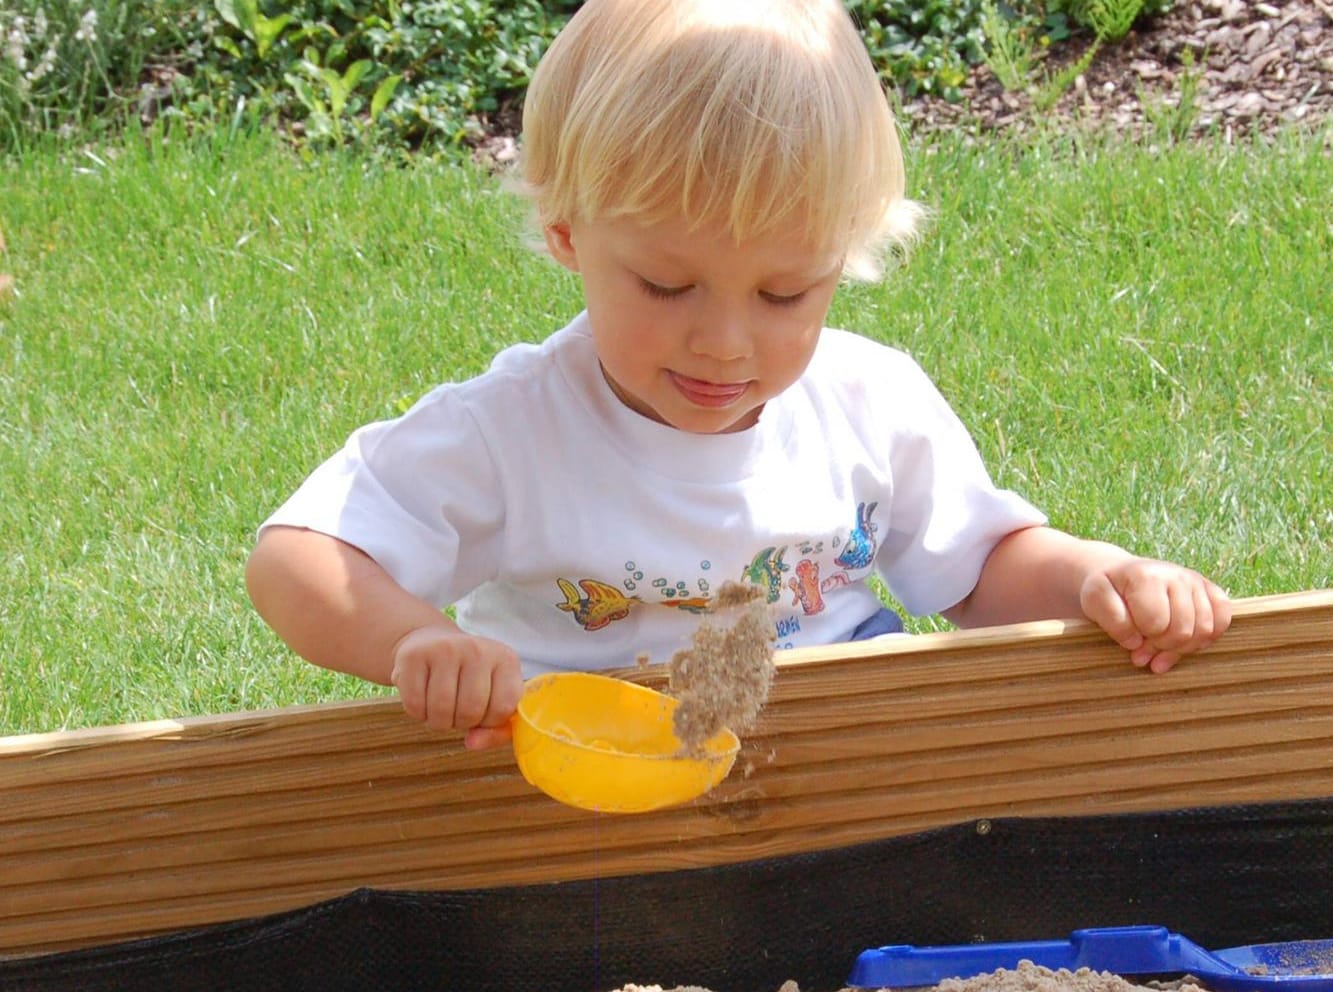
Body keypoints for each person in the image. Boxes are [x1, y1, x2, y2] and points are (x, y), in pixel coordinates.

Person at [245, 0, 1232, 752]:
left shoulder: (867, 404)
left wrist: (1099, 575)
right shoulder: (514, 431)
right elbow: (299, 558)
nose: (725, 342)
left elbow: (981, 567)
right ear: (564, 233)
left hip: (838, 772)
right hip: (583, 784)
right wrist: (416, 641)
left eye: (785, 294)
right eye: (667, 284)